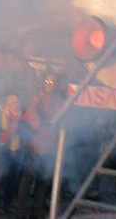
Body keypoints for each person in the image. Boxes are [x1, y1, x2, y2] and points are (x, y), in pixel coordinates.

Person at [19, 73, 67, 219]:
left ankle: (37, 213)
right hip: (35, 145)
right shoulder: (37, 98)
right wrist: (41, 128)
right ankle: (20, 214)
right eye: (48, 81)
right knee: (27, 180)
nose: (50, 84)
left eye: (53, 82)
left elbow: (62, 121)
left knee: (43, 181)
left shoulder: (60, 101)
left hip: (50, 147)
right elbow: (31, 116)